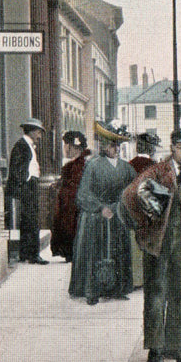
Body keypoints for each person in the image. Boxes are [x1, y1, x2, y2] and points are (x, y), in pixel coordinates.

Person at [120, 127, 181, 362]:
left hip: (180, 245)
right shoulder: (156, 171)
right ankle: (155, 349)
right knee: (156, 295)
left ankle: (174, 348)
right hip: (157, 244)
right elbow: (129, 196)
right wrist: (143, 224)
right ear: (172, 148)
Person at [69, 120, 136, 305]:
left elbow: (133, 190)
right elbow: (83, 195)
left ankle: (117, 289)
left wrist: (122, 206)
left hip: (117, 215)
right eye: (111, 145)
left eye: (117, 145)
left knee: (118, 252)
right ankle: (92, 291)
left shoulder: (126, 167)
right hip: (96, 217)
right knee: (95, 253)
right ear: (103, 146)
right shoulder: (93, 166)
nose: (115, 148)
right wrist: (100, 208)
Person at [8, 118, 48, 264]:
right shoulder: (22, 146)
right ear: (31, 131)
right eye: (38, 132)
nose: (40, 136)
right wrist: (24, 183)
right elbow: (16, 168)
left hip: (30, 186)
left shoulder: (27, 145)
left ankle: (26, 253)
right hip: (27, 187)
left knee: (29, 220)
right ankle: (32, 254)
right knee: (31, 220)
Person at [50, 131, 90, 262]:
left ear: (74, 147)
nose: (65, 149)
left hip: (73, 204)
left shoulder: (80, 165)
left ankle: (72, 252)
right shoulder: (73, 164)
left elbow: (77, 185)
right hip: (68, 203)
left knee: (71, 226)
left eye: (66, 145)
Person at [128, 132, 159, 288]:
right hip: (149, 210)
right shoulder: (154, 166)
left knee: (134, 244)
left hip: (133, 209)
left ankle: (136, 278)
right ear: (151, 148)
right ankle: (150, 279)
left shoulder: (129, 164)